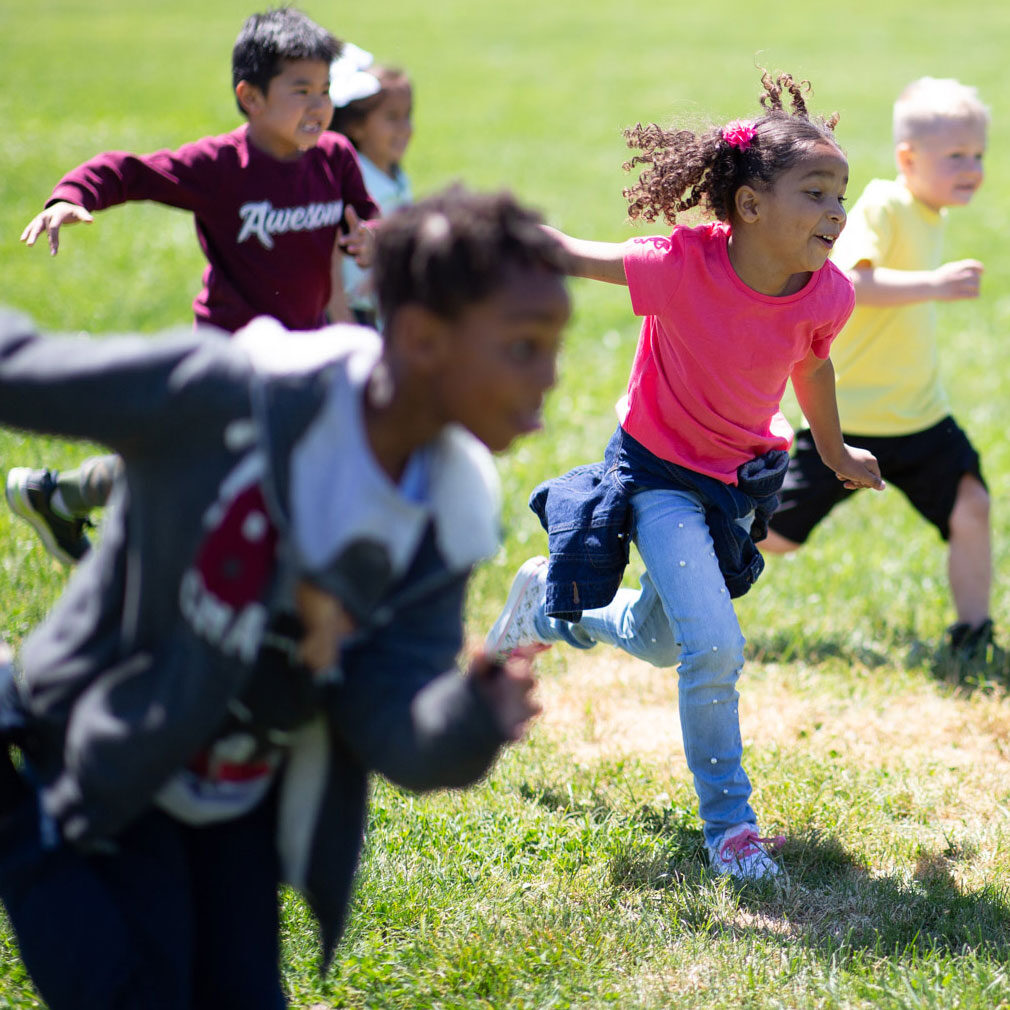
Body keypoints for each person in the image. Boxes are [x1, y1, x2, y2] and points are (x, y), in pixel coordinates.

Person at [0, 185, 571, 1010]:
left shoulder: (443, 506)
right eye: (523, 347)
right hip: (103, 741)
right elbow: (28, 374)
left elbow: (388, 718)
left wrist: (467, 720)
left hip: (232, 798)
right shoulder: (233, 394)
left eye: (555, 346)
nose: (550, 377)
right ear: (419, 339)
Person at [484, 72, 883, 880]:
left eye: (840, 195)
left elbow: (813, 370)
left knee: (661, 642)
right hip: (659, 474)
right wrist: (490, 233)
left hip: (741, 483)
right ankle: (732, 829)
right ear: (749, 207)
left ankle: (543, 607)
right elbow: (572, 256)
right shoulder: (680, 265)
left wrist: (834, 453)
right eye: (815, 193)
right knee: (715, 647)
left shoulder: (826, 293)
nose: (837, 212)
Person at [9, 6, 379, 565]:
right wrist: (72, 197)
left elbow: (366, 214)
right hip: (228, 353)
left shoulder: (335, 156)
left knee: (216, 462)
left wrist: (373, 235)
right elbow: (128, 170)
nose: (319, 105)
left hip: (304, 347)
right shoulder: (221, 166)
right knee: (210, 466)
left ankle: (61, 496)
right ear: (250, 97)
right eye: (300, 90)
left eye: (325, 90)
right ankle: (83, 509)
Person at [761, 78, 995, 665]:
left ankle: (974, 631)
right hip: (849, 421)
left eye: (978, 156)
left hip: (919, 417)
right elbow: (851, 283)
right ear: (908, 159)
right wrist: (934, 285)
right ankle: (680, 561)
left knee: (972, 506)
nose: (972, 167)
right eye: (956, 156)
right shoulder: (885, 204)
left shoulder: (929, 210)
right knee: (777, 538)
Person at [328, 44, 414, 328]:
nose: (405, 127)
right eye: (392, 117)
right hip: (353, 314)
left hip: (385, 311)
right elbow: (331, 263)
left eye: (408, 114)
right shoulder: (353, 182)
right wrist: (345, 323)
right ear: (356, 126)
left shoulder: (396, 176)